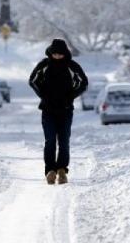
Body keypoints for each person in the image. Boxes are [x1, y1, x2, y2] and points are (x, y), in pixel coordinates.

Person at [29, 39, 88, 185]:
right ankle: (50, 171)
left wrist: (71, 96)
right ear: (51, 52)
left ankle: (62, 170)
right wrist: (43, 95)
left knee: (64, 141)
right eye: (54, 54)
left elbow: (84, 82)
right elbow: (32, 80)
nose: (57, 56)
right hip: (48, 110)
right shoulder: (44, 65)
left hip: (66, 110)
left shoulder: (71, 66)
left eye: (60, 54)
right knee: (50, 141)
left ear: (65, 54)